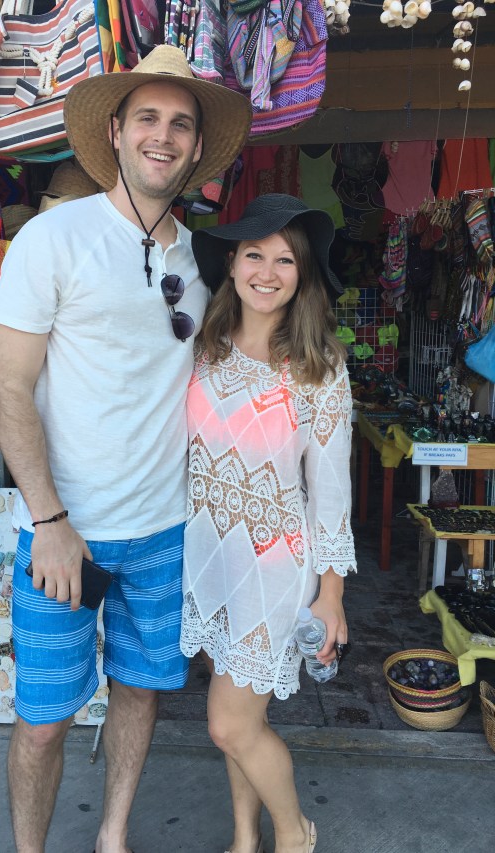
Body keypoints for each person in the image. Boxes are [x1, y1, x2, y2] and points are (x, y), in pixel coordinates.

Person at [0, 45, 251, 853]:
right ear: (117, 130)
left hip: (166, 528)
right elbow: (8, 386)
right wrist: (51, 517)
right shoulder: (53, 238)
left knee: (140, 693)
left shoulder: (209, 259)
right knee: (42, 720)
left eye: (180, 124)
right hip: (63, 527)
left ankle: (113, 837)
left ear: (198, 147)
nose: (163, 137)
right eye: (148, 119)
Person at [180, 194, 357, 853]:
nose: (267, 270)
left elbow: (331, 491)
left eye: (285, 259)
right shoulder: (201, 346)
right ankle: (242, 839)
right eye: (255, 253)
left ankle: (293, 834)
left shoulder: (318, 368)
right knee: (241, 711)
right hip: (210, 556)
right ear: (231, 262)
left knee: (230, 723)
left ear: (303, 274)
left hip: (275, 566)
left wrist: (331, 592)